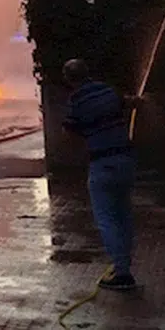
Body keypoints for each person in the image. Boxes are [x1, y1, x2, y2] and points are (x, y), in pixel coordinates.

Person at [61, 57, 144, 291]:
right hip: (126, 160)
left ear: (69, 79)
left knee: (106, 218)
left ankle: (122, 272)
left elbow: (69, 132)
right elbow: (129, 103)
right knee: (124, 212)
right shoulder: (108, 91)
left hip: (102, 163)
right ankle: (125, 263)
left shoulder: (77, 102)